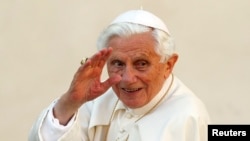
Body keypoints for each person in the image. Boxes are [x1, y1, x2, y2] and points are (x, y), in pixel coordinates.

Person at [28, 9, 210, 141]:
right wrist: (69, 103)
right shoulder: (96, 97)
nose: (127, 78)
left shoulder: (189, 116)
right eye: (117, 64)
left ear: (168, 65)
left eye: (141, 64)